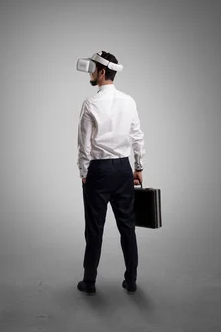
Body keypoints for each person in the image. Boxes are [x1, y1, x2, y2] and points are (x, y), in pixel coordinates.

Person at [76, 51, 145, 295]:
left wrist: (85, 172)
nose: (91, 73)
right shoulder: (129, 101)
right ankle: (132, 280)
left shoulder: (90, 103)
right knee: (127, 226)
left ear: (102, 72)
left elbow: (84, 145)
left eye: (93, 69)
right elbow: (137, 136)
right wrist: (138, 167)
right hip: (123, 169)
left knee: (94, 229)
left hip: (99, 170)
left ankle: (89, 281)